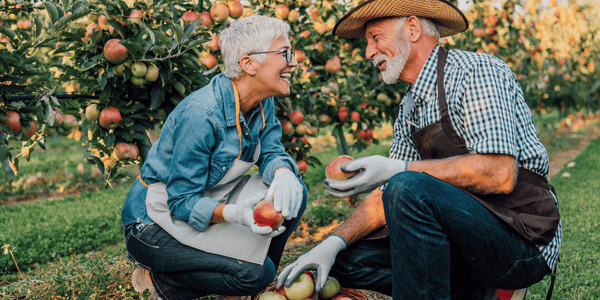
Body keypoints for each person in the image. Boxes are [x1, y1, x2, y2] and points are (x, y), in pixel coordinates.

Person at [276, 0, 562, 299]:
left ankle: (471, 288)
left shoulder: (475, 72)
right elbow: (388, 196)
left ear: (412, 28)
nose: (368, 52)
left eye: (375, 38)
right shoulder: (410, 109)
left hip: (521, 239)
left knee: (407, 185)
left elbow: (499, 174)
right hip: (461, 240)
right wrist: (332, 243)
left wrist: (398, 171)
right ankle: (467, 291)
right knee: (342, 264)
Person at [122, 15, 307, 300]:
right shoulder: (201, 115)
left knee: (294, 195)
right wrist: (236, 215)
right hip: (152, 222)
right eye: (285, 53)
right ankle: (162, 283)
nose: (293, 62)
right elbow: (181, 201)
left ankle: (240, 283)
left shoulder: (260, 101)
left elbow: (270, 150)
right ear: (248, 64)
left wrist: (283, 173)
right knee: (257, 274)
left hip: (207, 197)